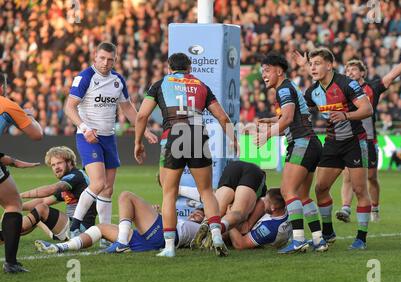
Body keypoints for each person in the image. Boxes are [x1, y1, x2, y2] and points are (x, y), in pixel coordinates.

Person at [134, 52, 238, 257]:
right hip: (198, 135)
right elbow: (222, 117)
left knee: (169, 193)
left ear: (169, 67)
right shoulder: (201, 85)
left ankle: (170, 247)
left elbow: (142, 116)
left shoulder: (160, 84)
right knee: (207, 191)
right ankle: (216, 235)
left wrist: (138, 142)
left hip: (173, 135)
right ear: (190, 67)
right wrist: (234, 139)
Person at [63, 42, 158, 246]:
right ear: (94, 57)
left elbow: (128, 109)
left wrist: (145, 130)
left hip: (108, 137)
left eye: (110, 59)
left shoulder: (117, 80)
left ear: (115, 60)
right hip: (88, 136)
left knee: (107, 189)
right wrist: (85, 128)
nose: (106, 63)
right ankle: (74, 226)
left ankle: (105, 236)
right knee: (97, 183)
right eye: (102, 58)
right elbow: (69, 107)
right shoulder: (85, 77)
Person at [331, 44, 401, 223]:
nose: (350, 72)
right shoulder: (341, 90)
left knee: (371, 177)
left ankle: (375, 208)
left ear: (362, 73)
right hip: (349, 139)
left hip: (369, 140)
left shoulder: (372, 88)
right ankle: (346, 209)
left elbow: (392, 75)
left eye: (354, 69)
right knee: (347, 175)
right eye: (347, 70)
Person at [255, 53, 327, 253]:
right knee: (303, 195)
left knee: (288, 192)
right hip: (311, 144)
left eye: (267, 70)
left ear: (279, 71)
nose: (264, 75)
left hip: (302, 143)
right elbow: (293, 115)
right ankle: (318, 240)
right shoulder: (288, 87)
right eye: (262, 72)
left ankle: (298, 240)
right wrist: (271, 121)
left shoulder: (284, 89)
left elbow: (287, 119)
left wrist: (267, 135)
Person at [303, 47, 373, 250]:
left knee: (360, 189)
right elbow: (299, 112)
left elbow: (367, 109)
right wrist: (275, 122)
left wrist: (346, 115)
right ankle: (328, 233)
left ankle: (361, 238)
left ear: (329, 65)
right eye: (311, 64)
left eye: (317, 63)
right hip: (332, 142)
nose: (313, 68)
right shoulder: (312, 91)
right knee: (320, 188)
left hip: (354, 141)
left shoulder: (347, 83)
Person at [34, 191, 205, 254]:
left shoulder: (202, 229)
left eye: (201, 213)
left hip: (164, 235)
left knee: (125, 196)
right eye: (197, 211)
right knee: (100, 228)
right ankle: (60, 247)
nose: (198, 213)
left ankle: (121, 242)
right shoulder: (184, 220)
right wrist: (156, 213)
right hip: (149, 241)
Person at [0, 74, 43, 273]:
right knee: (13, 204)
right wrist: (30, 117)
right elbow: (37, 134)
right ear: (2, 87)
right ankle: (11, 262)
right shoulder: (7, 105)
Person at [190, 160, 267, 249]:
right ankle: (214, 228)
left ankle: (207, 223)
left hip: (234, 167)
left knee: (219, 210)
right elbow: (246, 227)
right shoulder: (244, 226)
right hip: (250, 171)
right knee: (237, 212)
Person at [20, 146, 97, 232]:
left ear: (69, 162)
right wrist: (18, 206)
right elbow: (44, 201)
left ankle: (9, 232)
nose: (56, 167)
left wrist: (20, 195)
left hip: (79, 228)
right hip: (73, 226)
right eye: (53, 165)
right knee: (35, 214)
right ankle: (8, 235)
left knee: (41, 209)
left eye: (59, 163)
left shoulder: (74, 176)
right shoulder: (72, 179)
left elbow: (51, 189)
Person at [224, 188, 292, 250]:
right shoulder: (284, 209)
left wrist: (230, 220)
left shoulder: (269, 228)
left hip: (256, 237)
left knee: (225, 231)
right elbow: (261, 202)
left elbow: (240, 244)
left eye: (266, 201)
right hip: (263, 227)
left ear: (272, 208)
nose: (263, 200)